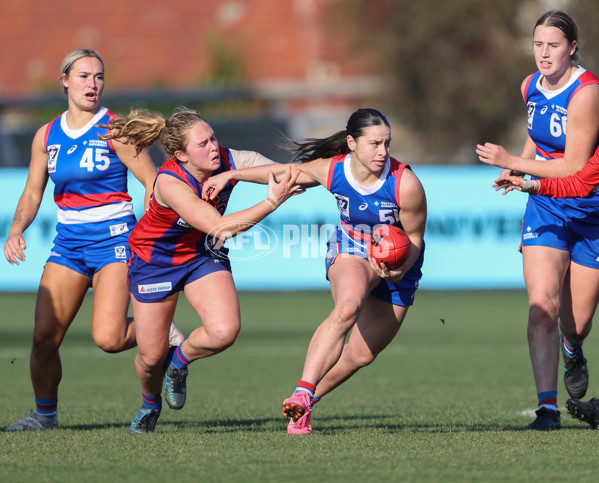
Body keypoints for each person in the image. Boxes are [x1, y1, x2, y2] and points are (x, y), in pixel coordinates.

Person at [203, 108, 426, 434]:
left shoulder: (405, 184)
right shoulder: (332, 170)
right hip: (352, 250)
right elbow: (284, 172)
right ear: (351, 143)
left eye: (387, 144)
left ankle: (305, 403)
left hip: (398, 266)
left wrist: (401, 267)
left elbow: (416, 238)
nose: (383, 152)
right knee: (347, 308)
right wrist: (230, 175)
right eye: (374, 144)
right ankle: (304, 389)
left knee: (360, 356)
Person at [2, 49, 185, 432]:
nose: (93, 84)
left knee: (109, 338)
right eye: (84, 76)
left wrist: (161, 230)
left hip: (115, 243)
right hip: (68, 246)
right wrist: (16, 229)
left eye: (99, 76)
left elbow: (155, 185)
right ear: (65, 81)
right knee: (42, 340)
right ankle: (44, 415)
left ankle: (162, 331)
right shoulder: (46, 135)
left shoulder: (116, 129)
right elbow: (33, 193)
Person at [99, 107, 302, 434]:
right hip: (155, 261)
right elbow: (221, 227)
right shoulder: (169, 183)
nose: (213, 147)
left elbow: (288, 173)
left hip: (201, 253)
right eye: (202, 144)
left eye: (213, 138)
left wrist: (339, 173)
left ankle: (178, 364)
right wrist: (272, 201)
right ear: (180, 155)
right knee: (151, 359)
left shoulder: (227, 159)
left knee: (224, 331)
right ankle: (150, 403)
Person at [475, 10, 599, 430]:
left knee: (576, 322)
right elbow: (537, 134)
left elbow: (576, 166)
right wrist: (521, 167)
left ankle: (573, 349)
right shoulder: (530, 85)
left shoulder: (586, 94)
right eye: (538, 45)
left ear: (572, 48)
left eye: (554, 46)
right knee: (541, 306)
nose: (544, 54)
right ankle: (547, 409)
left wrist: (512, 161)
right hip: (545, 205)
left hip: (589, 211)